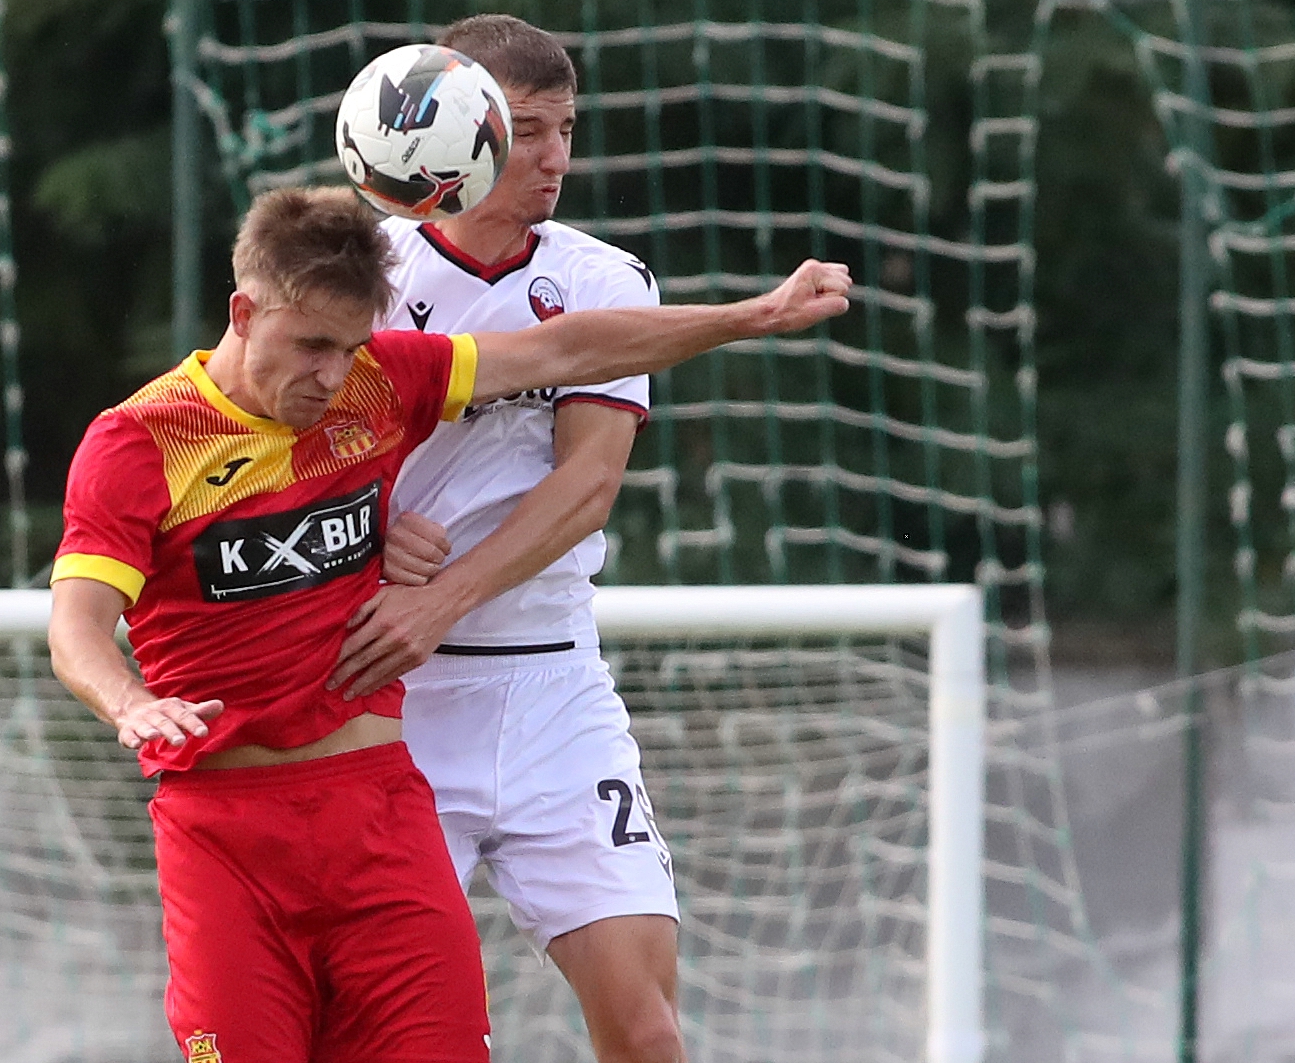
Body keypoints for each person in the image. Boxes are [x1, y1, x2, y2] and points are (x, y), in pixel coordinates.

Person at [47, 184, 849, 1063]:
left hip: (381, 812)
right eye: (311, 345)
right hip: (225, 838)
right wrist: (129, 702)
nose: (331, 376)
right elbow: (76, 627)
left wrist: (754, 315)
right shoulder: (139, 442)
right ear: (243, 313)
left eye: (349, 347)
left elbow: (564, 348)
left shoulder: (379, 381)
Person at [325, 14, 703, 1063]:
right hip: (388, 701)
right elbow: (281, 447)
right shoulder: (361, 275)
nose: (555, 158)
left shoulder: (603, 280)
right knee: (381, 1035)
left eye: (566, 130)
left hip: (553, 691)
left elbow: (588, 485)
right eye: (528, 130)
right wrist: (366, 530)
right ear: (457, 131)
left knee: (646, 1033)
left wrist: (439, 597)